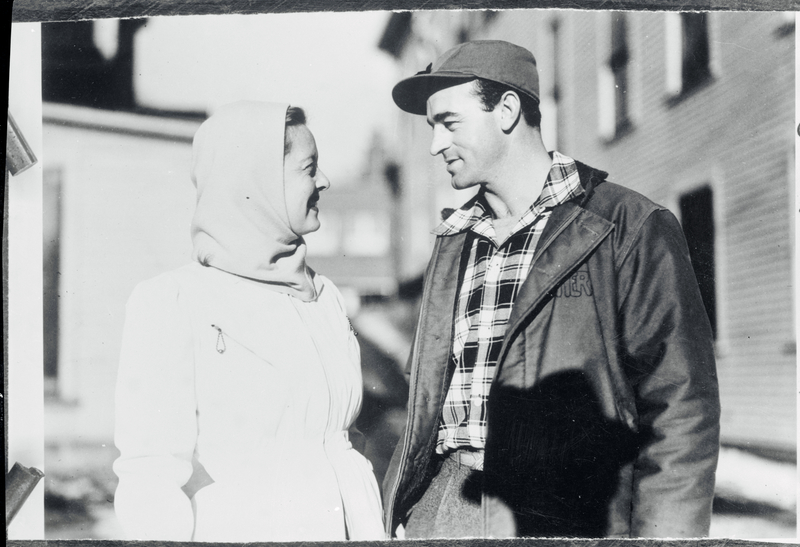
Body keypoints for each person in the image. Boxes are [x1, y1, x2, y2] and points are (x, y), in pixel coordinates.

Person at [382, 40, 720, 539]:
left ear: (508, 110)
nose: (435, 145)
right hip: (445, 509)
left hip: (563, 515)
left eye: (448, 123)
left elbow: (681, 412)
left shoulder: (627, 226)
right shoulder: (452, 242)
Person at [113, 101, 385, 542]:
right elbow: (150, 479)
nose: (325, 181)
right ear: (254, 185)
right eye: (308, 167)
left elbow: (343, 439)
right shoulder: (176, 302)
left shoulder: (323, 297)